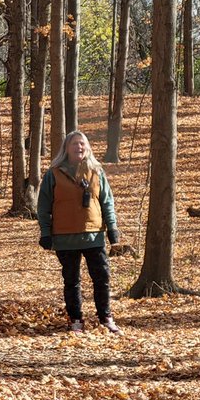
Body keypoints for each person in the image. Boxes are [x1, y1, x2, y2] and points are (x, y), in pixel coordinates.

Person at [37, 130, 122, 334]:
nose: (79, 147)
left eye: (82, 144)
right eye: (75, 144)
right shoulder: (53, 173)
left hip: (94, 235)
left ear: (88, 147)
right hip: (65, 238)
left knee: (102, 277)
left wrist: (113, 231)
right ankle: (76, 320)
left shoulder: (97, 172)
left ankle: (106, 317)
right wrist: (46, 233)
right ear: (66, 148)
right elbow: (43, 206)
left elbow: (107, 203)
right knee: (72, 281)